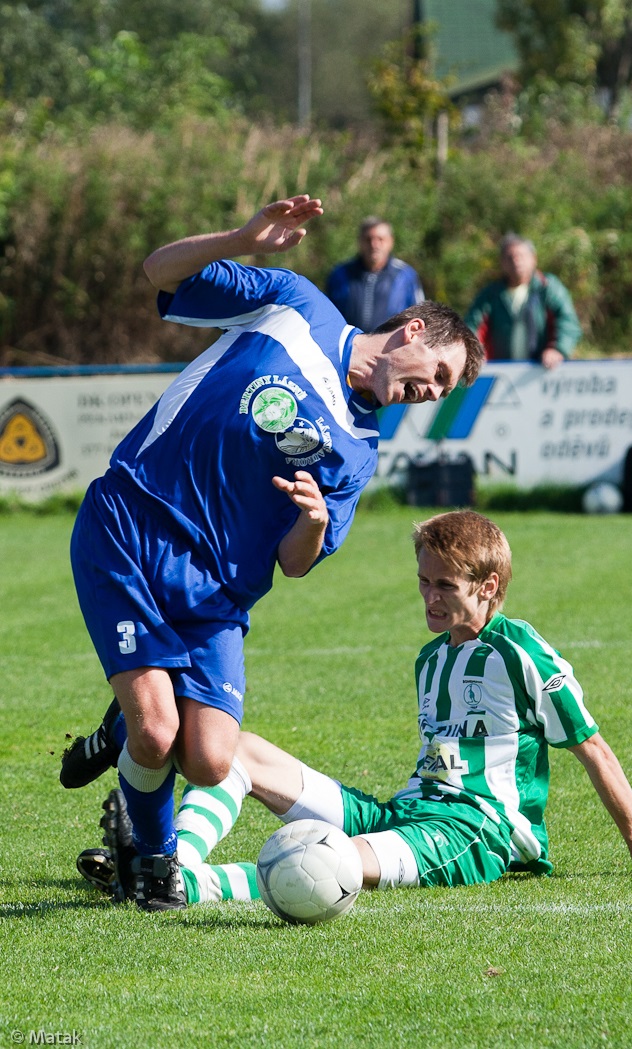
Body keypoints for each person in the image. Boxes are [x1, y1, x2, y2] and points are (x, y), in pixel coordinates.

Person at [63, 194, 483, 912]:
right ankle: (154, 863)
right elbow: (158, 270)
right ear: (413, 329)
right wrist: (241, 238)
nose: (426, 391)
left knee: (210, 758)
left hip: (220, 591)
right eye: (435, 372)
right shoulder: (297, 306)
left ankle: (120, 728)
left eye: (439, 392)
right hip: (134, 523)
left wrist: (314, 522)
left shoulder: (358, 450)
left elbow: (293, 562)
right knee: (158, 731)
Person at [77, 509, 632, 908]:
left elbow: (592, 746)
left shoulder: (522, 653)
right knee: (236, 750)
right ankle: (165, 862)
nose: (429, 597)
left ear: (490, 588)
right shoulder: (431, 660)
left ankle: (190, 887)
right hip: (405, 811)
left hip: (477, 832)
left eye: (445, 586)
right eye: (424, 582)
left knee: (328, 863)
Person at [465, 234, 581, 369]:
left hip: (542, 371)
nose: (516, 261)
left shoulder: (548, 288)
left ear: (534, 259)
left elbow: (568, 322)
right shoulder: (490, 295)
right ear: (502, 263)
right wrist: (475, 354)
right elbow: (472, 326)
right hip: (500, 374)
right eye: (510, 257)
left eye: (521, 256)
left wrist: (558, 349)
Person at [326, 217, 424, 331]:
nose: (374, 245)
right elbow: (328, 316)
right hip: (350, 347)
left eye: (380, 239)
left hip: (391, 347)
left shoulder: (405, 276)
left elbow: (419, 316)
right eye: (368, 239)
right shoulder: (340, 275)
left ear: (391, 241)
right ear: (360, 242)